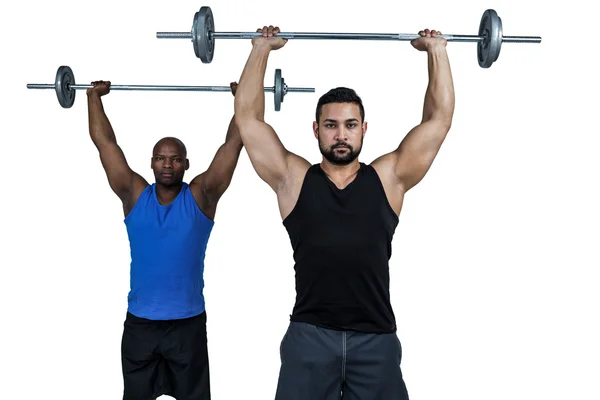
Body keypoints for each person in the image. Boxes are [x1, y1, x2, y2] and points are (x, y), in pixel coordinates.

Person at [234, 25, 455, 400]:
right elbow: (249, 122)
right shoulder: (294, 179)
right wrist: (261, 49)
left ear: (364, 129)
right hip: (309, 337)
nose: (341, 135)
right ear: (316, 130)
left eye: (350, 125)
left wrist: (436, 52)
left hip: (376, 340)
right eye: (332, 126)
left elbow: (439, 121)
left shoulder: (389, 178)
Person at [87, 80, 243, 400]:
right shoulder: (134, 195)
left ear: (186, 164)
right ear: (152, 162)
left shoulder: (202, 197)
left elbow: (233, 145)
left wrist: (244, 99)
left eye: (174, 159)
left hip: (187, 327)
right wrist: (92, 98)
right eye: (161, 158)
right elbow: (105, 144)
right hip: (140, 327)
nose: (167, 164)